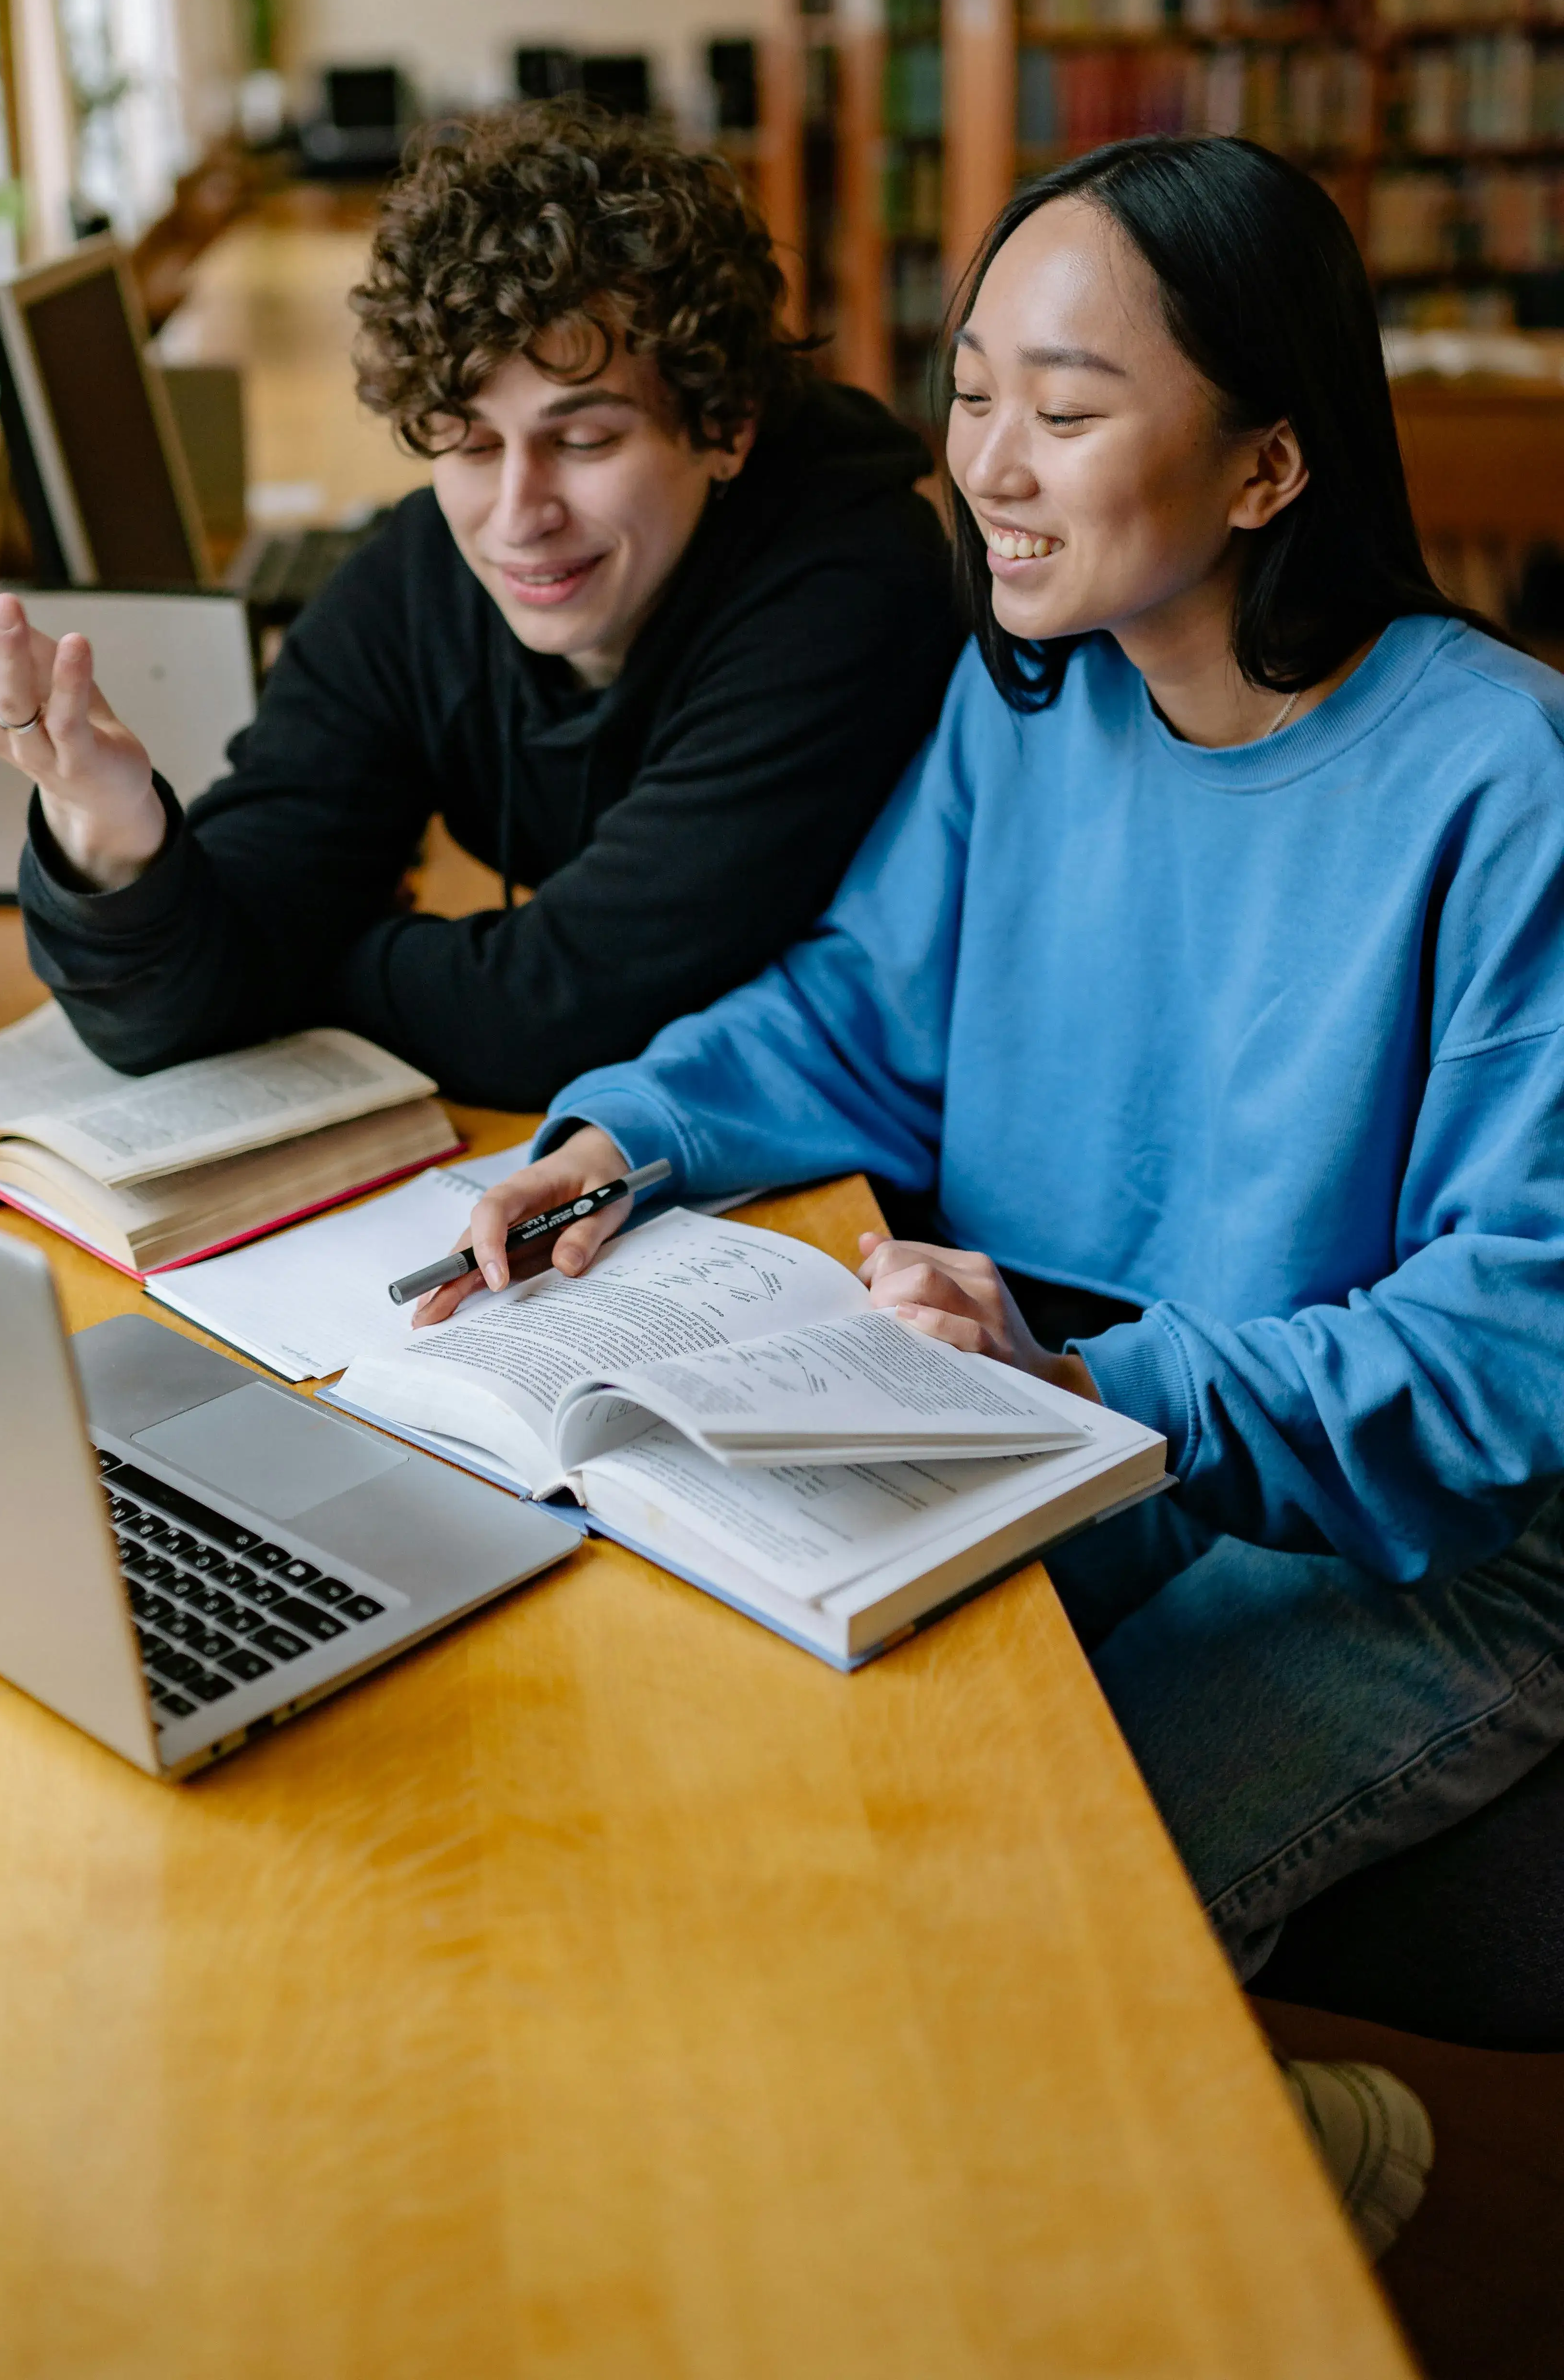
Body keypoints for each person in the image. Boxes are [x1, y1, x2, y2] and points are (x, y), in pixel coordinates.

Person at [437, 135, 1564, 2097]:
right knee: (771, 1771)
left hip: (1414, 1542)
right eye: (971, 392)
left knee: (986, 1930)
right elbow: (873, 1007)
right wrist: (633, 1131)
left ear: (1265, 467)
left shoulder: (1498, 778)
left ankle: (1292, 2179)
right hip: (1084, 1415)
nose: (990, 463)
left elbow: (1503, 1362)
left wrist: (1097, 1391)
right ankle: (1283, 2150)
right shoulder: (1036, 689)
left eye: (1064, 408)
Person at [0, 101, 959, 1110]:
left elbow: (560, 1013)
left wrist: (291, 971)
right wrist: (115, 831)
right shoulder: (418, 577)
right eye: (470, 442)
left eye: (584, 440)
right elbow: (170, 1015)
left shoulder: (849, 592)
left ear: (724, 426)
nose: (516, 515)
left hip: (889, 1195)